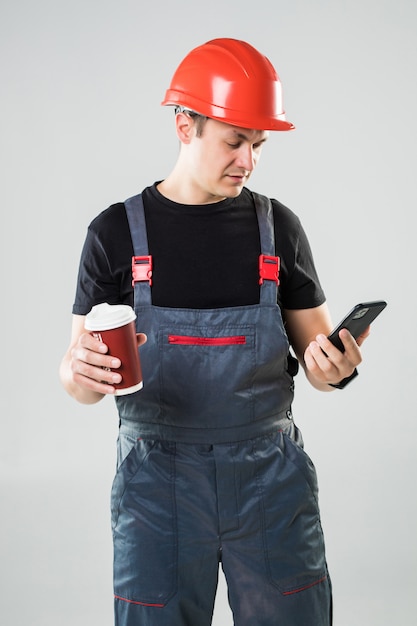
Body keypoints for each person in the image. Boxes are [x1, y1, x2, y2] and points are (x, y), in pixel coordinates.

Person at [60, 38, 368, 626]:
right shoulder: (114, 235)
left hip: (269, 480)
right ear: (185, 126)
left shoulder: (278, 228)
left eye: (258, 145)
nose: (247, 161)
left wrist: (338, 369)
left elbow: (322, 363)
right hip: (157, 483)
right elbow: (79, 378)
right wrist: (76, 372)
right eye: (234, 141)